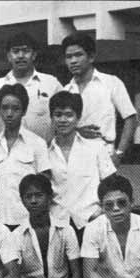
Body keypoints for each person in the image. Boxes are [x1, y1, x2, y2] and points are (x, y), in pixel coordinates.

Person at [47, 91, 116, 242]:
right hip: (57, 224)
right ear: (51, 118)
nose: (63, 120)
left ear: (78, 118)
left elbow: (112, 185)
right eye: (58, 115)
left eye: (69, 115)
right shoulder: (45, 153)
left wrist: (101, 212)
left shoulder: (95, 148)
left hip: (91, 222)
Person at [62, 33, 137, 166]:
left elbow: (130, 118)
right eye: (69, 57)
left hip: (104, 155)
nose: (73, 61)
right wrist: (77, 131)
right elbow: (58, 127)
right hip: (73, 156)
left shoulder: (111, 83)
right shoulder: (65, 90)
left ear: (91, 57)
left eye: (78, 55)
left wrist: (119, 153)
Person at [0, 84, 51, 229]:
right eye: (5, 108)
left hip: (28, 221)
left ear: (24, 111)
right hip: (0, 220)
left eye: (15, 108)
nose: (9, 113)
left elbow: (45, 183)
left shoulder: (37, 144)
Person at [0, 32, 62, 142]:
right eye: (15, 51)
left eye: (26, 51)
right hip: (10, 149)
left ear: (34, 55)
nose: (21, 56)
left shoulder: (51, 83)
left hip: (45, 149)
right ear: (9, 56)